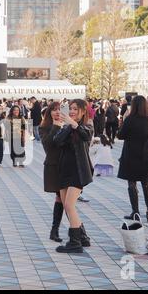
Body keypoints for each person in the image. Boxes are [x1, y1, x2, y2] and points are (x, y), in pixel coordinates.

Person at [54, 99, 93, 253]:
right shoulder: (68, 126)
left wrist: (74, 124)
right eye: (70, 108)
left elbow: (86, 136)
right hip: (64, 170)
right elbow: (57, 141)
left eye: (75, 109)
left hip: (78, 171)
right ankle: (82, 237)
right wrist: (67, 126)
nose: (72, 111)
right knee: (67, 206)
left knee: (69, 206)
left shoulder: (86, 126)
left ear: (82, 111)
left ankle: (75, 243)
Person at [117, 95, 148, 220]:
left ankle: (135, 211)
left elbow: (121, 135)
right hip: (144, 154)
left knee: (132, 183)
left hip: (131, 154)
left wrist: (122, 122)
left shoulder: (130, 119)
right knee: (145, 182)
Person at [39, 102, 64, 243]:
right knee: (61, 198)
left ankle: (78, 230)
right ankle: (55, 230)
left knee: (68, 200)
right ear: (49, 112)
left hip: (67, 165)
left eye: (59, 109)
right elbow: (48, 145)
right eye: (54, 110)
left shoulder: (67, 125)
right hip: (54, 166)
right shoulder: (44, 127)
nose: (57, 112)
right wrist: (55, 126)